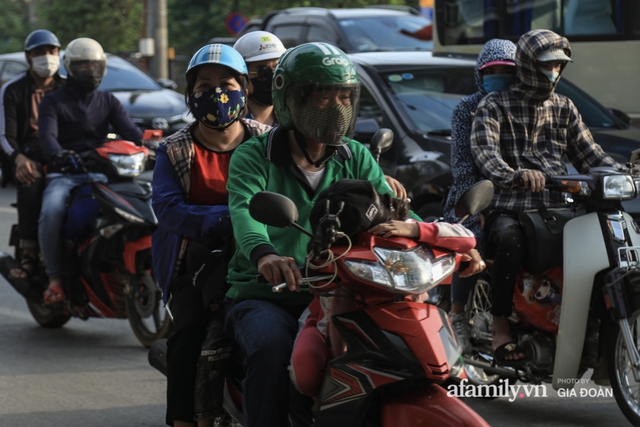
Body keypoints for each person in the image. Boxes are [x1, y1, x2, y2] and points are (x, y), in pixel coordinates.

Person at [222, 42, 415, 427]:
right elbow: (246, 211)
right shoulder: (253, 156)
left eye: (345, 96)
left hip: (345, 292)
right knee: (271, 348)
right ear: (290, 99)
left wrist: (432, 237)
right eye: (324, 97)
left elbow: (388, 213)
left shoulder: (355, 156)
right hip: (269, 295)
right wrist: (266, 256)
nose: (338, 107)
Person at [469, 29, 619, 366]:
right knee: (509, 240)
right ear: (527, 65)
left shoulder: (564, 107)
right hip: (509, 205)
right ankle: (500, 328)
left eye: (558, 65)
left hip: (557, 207)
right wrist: (516, 175)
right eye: (547, 65)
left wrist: (622, 174)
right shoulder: (494, 105)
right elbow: (485, 154)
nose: (553, 71)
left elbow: (592, 156)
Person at [151, 44, 271, 427]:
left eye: (227, 83)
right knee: (187, 331)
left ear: (246, 89)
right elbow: (169, 211)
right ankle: (183, 419)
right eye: (205, 85)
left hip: (263, 256)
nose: (217, 93)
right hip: (196, 262)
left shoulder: (268, 142)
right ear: (190, 94)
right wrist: (232, 217)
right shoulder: (174, 149)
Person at [289, 178, 483, 398]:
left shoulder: (401, 230)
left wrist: (415, 230)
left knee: (448, 374)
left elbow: (467, 237)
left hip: (405, 321)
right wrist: (338, 365)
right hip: (327, 328)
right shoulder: (335, 256)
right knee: (307, 377)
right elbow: (337, 313)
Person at [38, 38, 142, 304]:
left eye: (95, 64)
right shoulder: (53, 101)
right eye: (83, 65)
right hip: (66, 173)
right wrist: (59, 154)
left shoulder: (108, 100)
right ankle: (54, 278)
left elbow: (132, 133)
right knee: (51, 211)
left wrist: (154, 144)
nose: (90, 70)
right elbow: (48, 137)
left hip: (104, 172)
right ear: (70, 67)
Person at [442, 38, 517, 353]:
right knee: (470, 239)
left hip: (516, 196)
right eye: (492, 71)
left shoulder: (521, 104)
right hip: (473, 192)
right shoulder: (466, 108)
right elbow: (461, 164)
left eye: (506, 71)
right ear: (480, 74)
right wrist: (478, 205)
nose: (499, 77)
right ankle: (457, 313)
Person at [0, 29, 64, 281]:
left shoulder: (67, 87)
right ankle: (27, 252)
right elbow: (4, 135)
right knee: (32, 181)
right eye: (39, 53)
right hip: (27, 156)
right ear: (28, 58)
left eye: (51, 52)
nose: (46, 58)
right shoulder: (12, 90)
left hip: (62, 154)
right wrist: (18, 158)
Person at [232, 31, 286, 127]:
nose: (273, 77)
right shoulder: (232, 123)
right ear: (241, 76)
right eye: (262, 72)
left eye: (277, 69)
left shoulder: (292, 119)